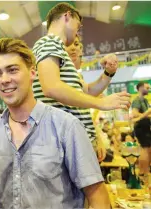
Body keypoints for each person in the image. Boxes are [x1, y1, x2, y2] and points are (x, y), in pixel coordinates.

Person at [0, 37, 110, 208]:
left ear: (32, 73)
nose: (4, 79)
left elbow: (97, 194)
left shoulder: (65, 126)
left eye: (12, 70)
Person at [32, 3, 130, 161]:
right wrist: (101, 103)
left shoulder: (59, 51)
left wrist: (108, 73)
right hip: (66, 143)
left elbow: (88, 91)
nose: (79, 31)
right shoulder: (49, 42)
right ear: (67, 16)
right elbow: (51, 87)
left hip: (74, 142)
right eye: (78, 25)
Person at [131, 81, 151, 185]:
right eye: (147, 88)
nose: (148, 89)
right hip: (140, 127)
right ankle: (143, 173)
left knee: (148, 150)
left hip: (146, 127)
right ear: (140, 88)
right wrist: (147, 114)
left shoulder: (146, 101)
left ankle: (146, 172)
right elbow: (134, 114)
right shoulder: (137, 100)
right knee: (145, 149)